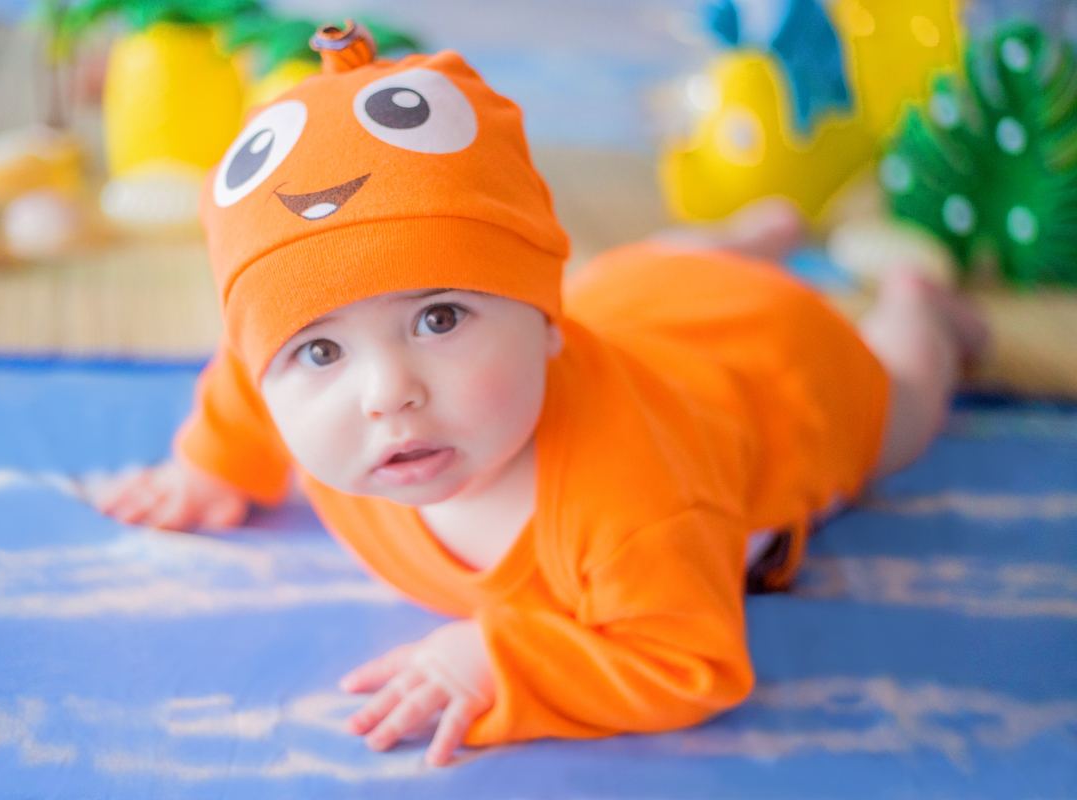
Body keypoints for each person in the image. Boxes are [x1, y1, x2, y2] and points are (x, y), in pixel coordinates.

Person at [90, 24, 987, 767]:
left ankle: (922, 314)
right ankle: (744, 236)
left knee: (899, 414)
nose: (387, 393)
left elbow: (690, 660)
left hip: (779, 366)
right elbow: (247, 371)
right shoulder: (300, 388)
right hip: (632, 292)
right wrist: (213, 463)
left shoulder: (634, 503)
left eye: (439, 319)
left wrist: (498, 660)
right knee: (638, 267)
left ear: (541, 320)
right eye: (319, 348)